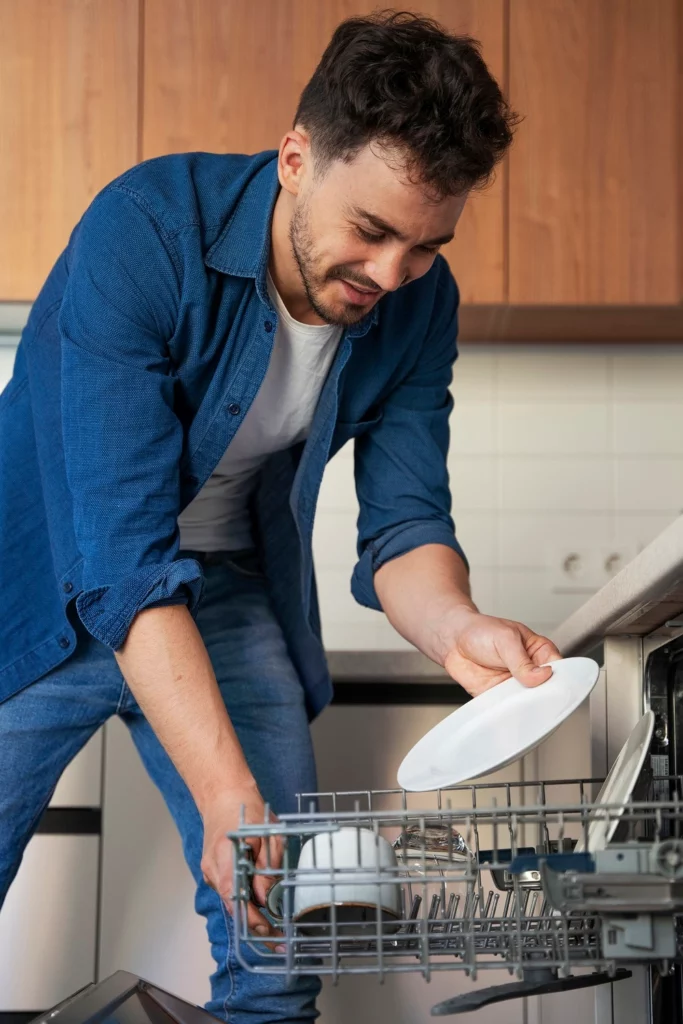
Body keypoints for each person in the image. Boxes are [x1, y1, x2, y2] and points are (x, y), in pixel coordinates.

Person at [0, 10, 560, 1023]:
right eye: (372, 231)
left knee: (281, 935)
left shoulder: (416, 307)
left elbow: (404, 523)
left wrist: (457, 628)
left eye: (426, 245)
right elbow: (120, 561)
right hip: (40, 586)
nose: (390, 276)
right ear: (297, 158)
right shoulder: (145, 231)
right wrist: (228, 794)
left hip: (219, 590)